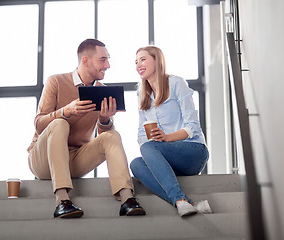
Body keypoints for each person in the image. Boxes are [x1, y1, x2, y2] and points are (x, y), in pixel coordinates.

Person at [27, 39, 145, 218]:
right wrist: (66, 111)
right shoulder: (56, 81)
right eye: (103, 60)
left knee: (112, 135)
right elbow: (39, 124)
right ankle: (62, 201)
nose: (108, 65)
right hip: (43, 160)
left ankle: (127, 199)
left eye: (108, 60)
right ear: (85, 61)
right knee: (60, 123)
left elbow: (105, 140)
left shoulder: (101, 90)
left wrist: (105, 119)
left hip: (75, 160)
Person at [130, 46, 212, 217]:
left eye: (143, 59)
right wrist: (151, 160)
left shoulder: (176, 83)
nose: (138, 64)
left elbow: (193, 127)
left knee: (148, 148)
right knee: (136, 164)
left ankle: (181, 200)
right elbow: (141, 134)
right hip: (166, 158)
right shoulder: (142, 93)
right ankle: (183, 202)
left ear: (157, 60)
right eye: (136, 61)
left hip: (193, 151)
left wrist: (166, 138)